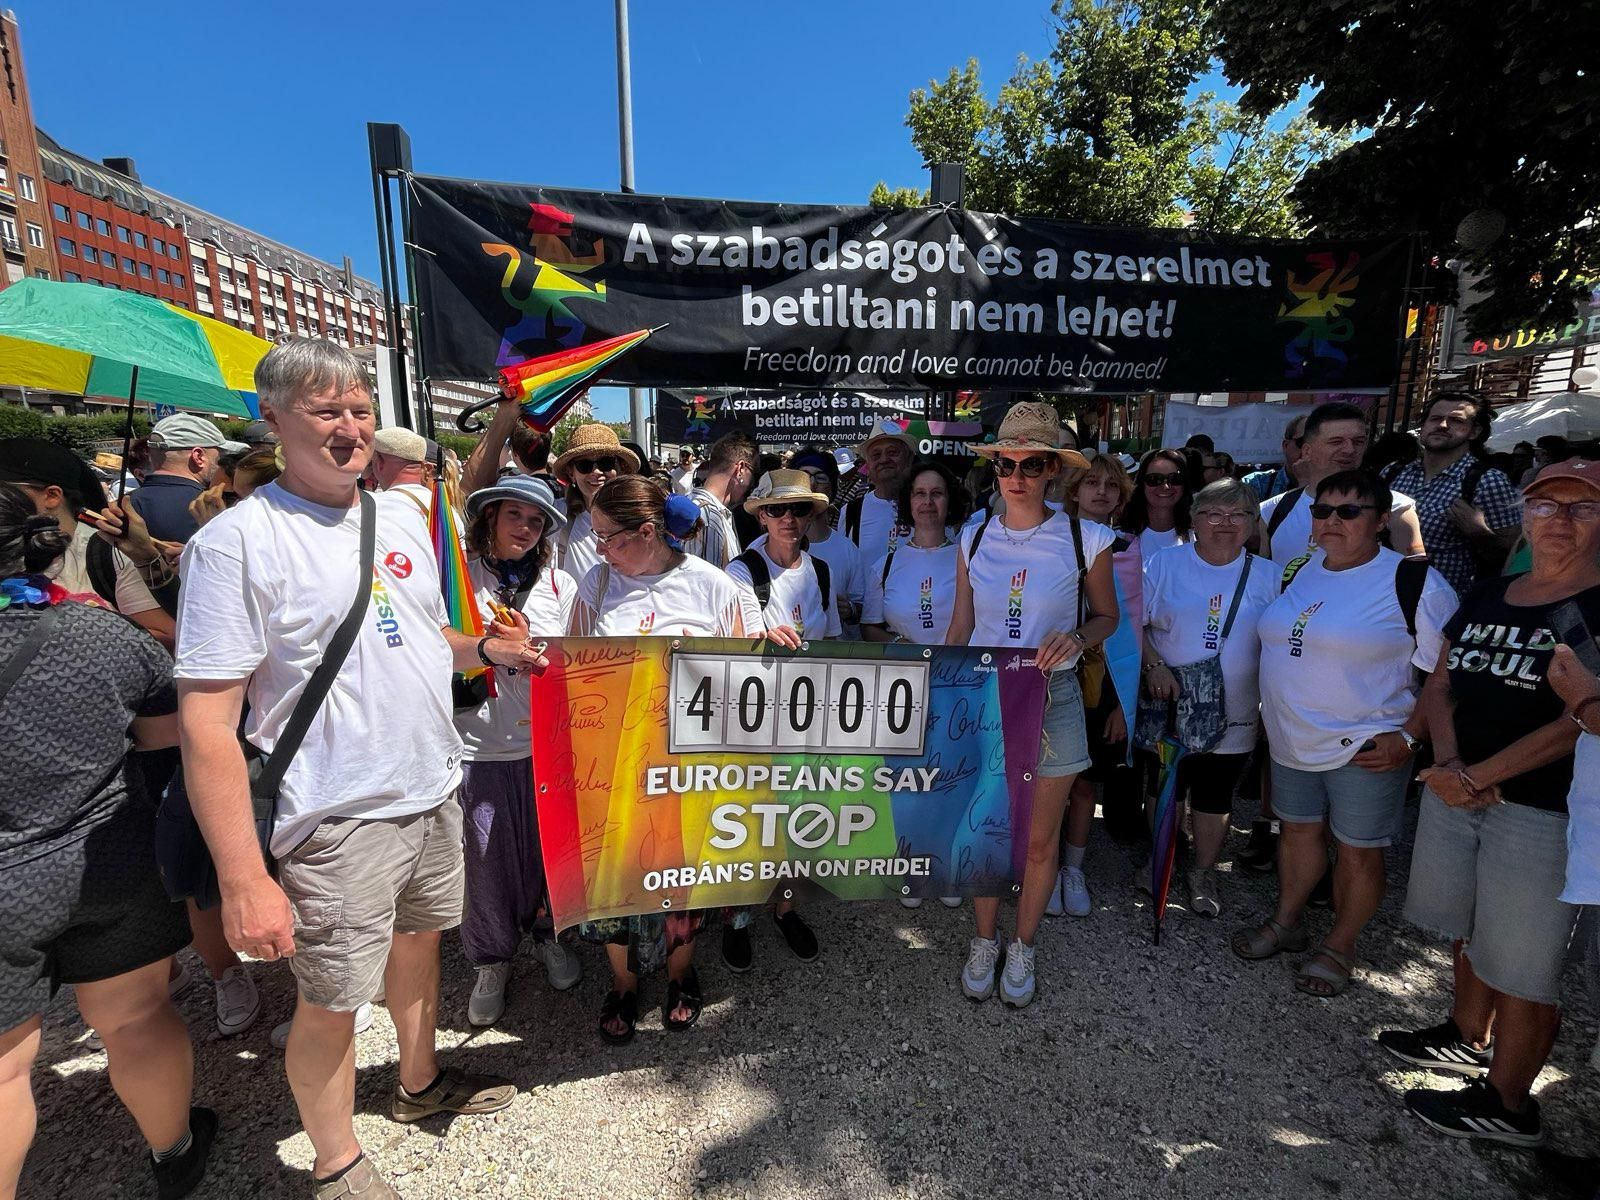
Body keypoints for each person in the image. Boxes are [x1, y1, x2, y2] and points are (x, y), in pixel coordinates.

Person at [175, 339, 540, 1198]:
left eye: (361, 410)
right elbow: (206, 724)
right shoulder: (236, 544)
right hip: (334, 814)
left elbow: (419, 633)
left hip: (431, 784)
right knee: (332, 996)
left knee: (419, 950)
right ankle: (337, 1161)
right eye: (326, 411)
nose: (349, 429)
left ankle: (418, 1084)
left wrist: (483, 646)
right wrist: (241, 878)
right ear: (272, 418)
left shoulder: (407, 517)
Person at [0, 482, 215, 1199]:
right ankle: (174, 1149)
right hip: (106, 857)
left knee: (3, 1071)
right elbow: (163, 738)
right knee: (135, 1017)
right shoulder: (101, 635)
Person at [1377, 459, 1600, 1147]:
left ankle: (1509, 1104)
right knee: (1470, 927)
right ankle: (1466, 1034)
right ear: (1524, 515)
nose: (1558, 519)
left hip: (1543, 808)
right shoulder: (1491, 592)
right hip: (1458, 783)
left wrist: (1477, 775)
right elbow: (1441, 683)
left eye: (1580, 507)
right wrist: (1447, 765)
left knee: (1526, 964)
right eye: (1544, 504)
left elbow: (1580, 720)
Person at [1234, 470, 1456, 996]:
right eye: (1322, 510)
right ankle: (1287, 922)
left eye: (1349, 511)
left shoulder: (1412, 580)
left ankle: (1340, 944)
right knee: (1298, 832)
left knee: (1358, 851)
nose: (1332, 521)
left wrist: (1410, 738)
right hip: (1292, 739)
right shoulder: (1302, 568)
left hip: (1366, 744)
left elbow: (1445, 674)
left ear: (1381, 521)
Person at [569, 476, 752, 1043]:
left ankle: (681, 973)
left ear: (647, 532)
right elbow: (569, 666)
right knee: (613, 877)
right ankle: (622, 984)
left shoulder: (712, 587)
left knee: (681, 874)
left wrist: (777, 642)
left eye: (608, 537)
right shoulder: (595, 587)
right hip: (613, 768)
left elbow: (745, 673)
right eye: (595, 536)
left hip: (686, 768)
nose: (599, 549)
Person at [946, 403, 1117, 1008]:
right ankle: (984, 940)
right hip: (986, 696)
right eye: (1006, 464)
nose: (1016, 475)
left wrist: (1077, 637)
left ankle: (1024, 944)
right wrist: (943, 690)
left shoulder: (1087, 536)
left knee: (1041, 840)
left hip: (1055, 694)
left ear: (1053, 471)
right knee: (987, 829)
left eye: (1032, 463)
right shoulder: (973, 535)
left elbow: (1107, 617)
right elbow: (961, 624)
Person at [456, 474, 581, 1028]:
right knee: (485, 859)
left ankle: (548, 934)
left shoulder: (560, 586)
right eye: (515, 516)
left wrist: (534, 647)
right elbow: (433, 646)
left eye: (536, 522)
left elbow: (582, 660)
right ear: (490, 519)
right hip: (478, 742)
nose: (526, 529)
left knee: (549, 854)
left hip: (546, 744)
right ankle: (490, 958)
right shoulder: (460, 580)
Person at [1140, 480, 1279, 917]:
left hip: (1235, 710)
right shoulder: (1164, 563)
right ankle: (1160, 858)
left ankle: (1203, 871)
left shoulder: (1270, 576)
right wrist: (1153, 666)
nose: (1226, 523)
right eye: (1214, 514)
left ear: (1253, 524)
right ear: (1194, 519)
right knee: (1165, 787)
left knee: (1215, 795)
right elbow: (1135, 625)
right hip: (1168, 704)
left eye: (1239, 515)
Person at [723, 470, 840, 965]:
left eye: (798, 509)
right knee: (749, 820)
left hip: (809, 714)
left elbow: (832, 640)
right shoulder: (739, 571)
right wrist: (761, 641)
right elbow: (734, 639)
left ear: (812, 515)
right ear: (761, 516)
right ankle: (739, 916)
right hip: (754, 717)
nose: (787, 519)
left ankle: (786, 907)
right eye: (776, 510)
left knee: (799, 817)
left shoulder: (822, 572)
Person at [862, 460, 969, 910]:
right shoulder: (885, 563)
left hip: (958, 684)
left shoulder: (969, 554)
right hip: (902, 690)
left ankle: (946, 864)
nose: (928, 502)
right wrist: (900, 643)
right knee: (907, 781)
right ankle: (910, 860)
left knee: (952, 778)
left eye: (937, 493)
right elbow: (869, 627)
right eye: (920, 494)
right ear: (908, 503)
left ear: (950, 502)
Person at [1054, 452, 1146, 893]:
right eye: (1092, 483)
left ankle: (1073, 868)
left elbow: (1130, 633)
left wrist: (1121, 704)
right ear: (1074, 491)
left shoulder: (1130, 550)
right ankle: (1045, 866)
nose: (1102, 492)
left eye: (1112, 486)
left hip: (1104, 683)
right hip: (1056, 674)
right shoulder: (1052, 540)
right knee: (1050, 783)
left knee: (1086, 784)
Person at [1381, 391, 1522, 596]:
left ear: (1474, 432)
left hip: (1441, 606)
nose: (1443, 425)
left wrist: (1481, 534)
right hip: (1382, 596)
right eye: (1435, 418)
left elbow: (1514, 554)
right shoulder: (1394, 472)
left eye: (1456, 420)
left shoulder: (1487, 482)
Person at [1260, 402, 1425, 566]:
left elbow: (1416, 579)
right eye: (1336, 442)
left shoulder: (1395, 507)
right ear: (1307, 451)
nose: (1349, 450)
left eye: (1358, 441)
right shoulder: (1271, 511)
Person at [784, 445, 864, 637]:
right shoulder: (767, 547)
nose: (812, 484)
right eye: (804, 476)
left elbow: (862, 609)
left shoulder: (848, 550)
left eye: (820, 478)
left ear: (832, 488)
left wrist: (850, 610)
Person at [551, 423, 639, 584]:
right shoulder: (558, 515)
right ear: (572, 473)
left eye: (606, 463)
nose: (597, 472)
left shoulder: (638, 516)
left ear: (618, 469)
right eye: (584, 465)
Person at [126, 413, 226, 545]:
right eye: (219, 456)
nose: (222, 463)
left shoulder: (121, 508)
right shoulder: (213, 505)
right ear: (199, 457)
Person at [841, 420, 915, 567]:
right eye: (876, 455)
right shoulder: (851, 512)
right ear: (867, 465)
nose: (884, 459)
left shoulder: (927, 506)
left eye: (892, 452)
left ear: (909, 459)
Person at [459, 390, 560, 497]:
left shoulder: (509, 494)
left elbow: (470, 487)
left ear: (514, 452)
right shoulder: (567, 493)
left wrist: (504, 415)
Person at [682, 429, 758, 568]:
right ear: (741, 469)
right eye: (753, 472)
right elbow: (709, 587)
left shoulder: (694, 505)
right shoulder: (709, 518)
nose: (752, 482)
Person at [1122, 449, 1194, 560]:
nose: (1165, 487)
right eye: (1154, 479)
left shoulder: (1198, 535)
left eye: (1174, 479)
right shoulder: (1121, 537)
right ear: (1142, 484)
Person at [1243, 414, 1307, 502]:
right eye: (1303, 442)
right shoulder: (1256, 484)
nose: (1308, 451)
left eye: (1317, 444)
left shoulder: (1330, 489)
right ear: (1286, 445)